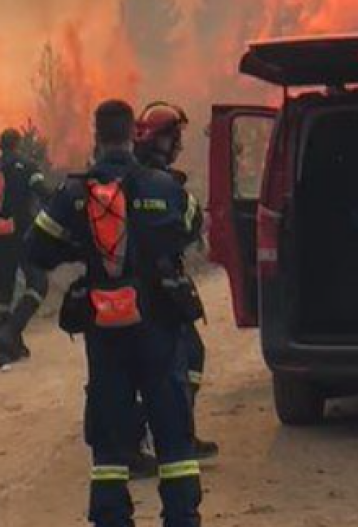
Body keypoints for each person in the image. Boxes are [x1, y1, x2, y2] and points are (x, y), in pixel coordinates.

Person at [28, 100, 203, 527]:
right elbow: (192, 227)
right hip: (159, 328)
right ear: (132, 135)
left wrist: (80, 247)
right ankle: (180, 518)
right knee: (174, 440)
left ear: (96, 137)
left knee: (108, 449)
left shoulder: (74, 193)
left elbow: (37, 249)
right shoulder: (164, 187)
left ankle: (111, 519)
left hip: (106, 333)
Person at [134, 102, 219, 460]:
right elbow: (188, 225)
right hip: (159, 286)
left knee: (182, 357)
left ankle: (174, 430)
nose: (178, 144)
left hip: (139, 284)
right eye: (175, 137)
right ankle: (161, 433)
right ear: (159, 140)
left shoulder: (132, 177)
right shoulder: (162, 183)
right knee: (180, 357)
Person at [0, 128, 52, 370]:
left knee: (2, 296)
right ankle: (11, 331)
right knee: (38, 284)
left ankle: (5, 352)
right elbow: (43, 193)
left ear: (1, 145)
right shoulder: (28, 167)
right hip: (25, 237)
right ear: (17, 145)